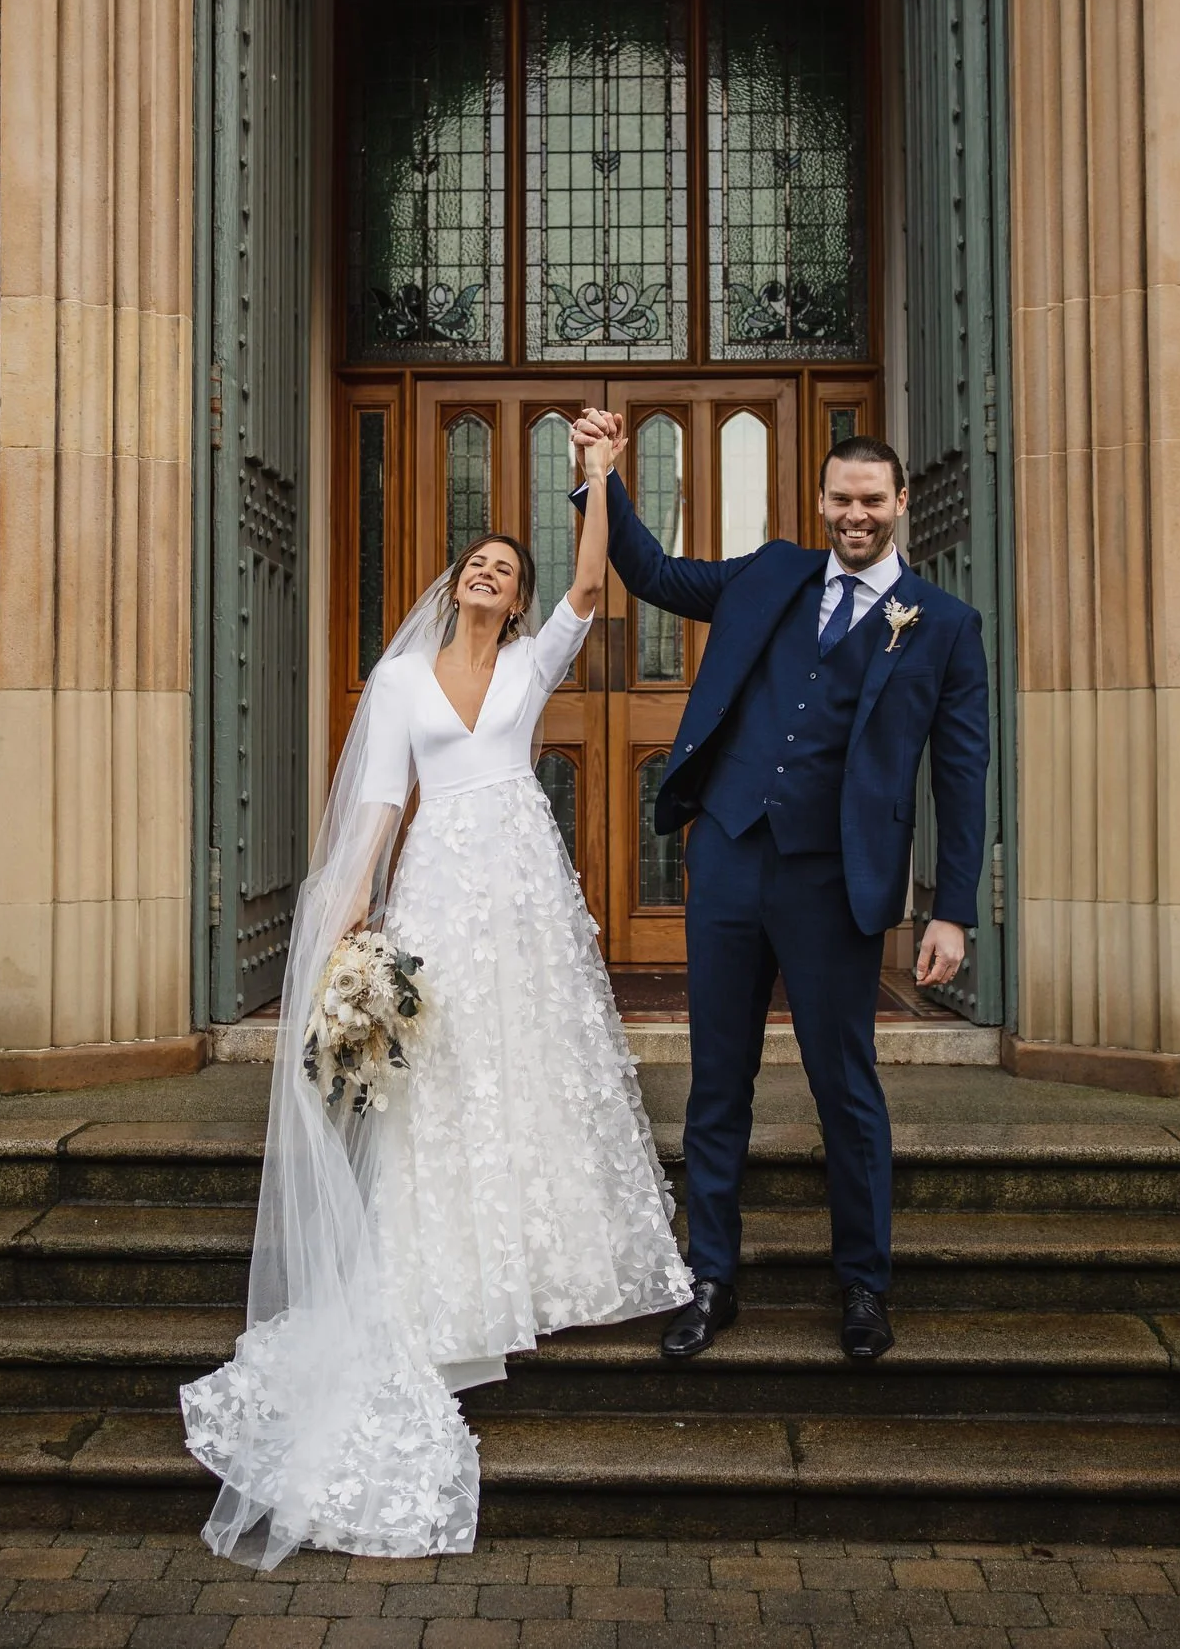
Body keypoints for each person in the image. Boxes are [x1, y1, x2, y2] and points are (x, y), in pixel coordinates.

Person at [181, 426, 688, 1568]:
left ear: (518, 601)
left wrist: (600, 476)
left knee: (531, 1058)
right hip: (439, 884)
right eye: (477, 564)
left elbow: (594, 583)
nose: (489, 576)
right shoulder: (403, 680)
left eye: (505, 571)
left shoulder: (533, 664)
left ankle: (544, 1253)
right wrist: (350, 906)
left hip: (522, 888)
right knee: (446, 1070)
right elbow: (378, 802)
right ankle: (444, 1269)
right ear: (455, 584)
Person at [569, 413, 989, 1366]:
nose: (855, 514)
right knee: (718, 1078)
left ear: (901, 503)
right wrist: (602, 477)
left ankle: (864, 1284)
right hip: (728, 858)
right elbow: (656, 575)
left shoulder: (944, 626)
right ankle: (710, 1276)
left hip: (837, 881)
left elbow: (962, 778)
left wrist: (953, 910)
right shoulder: (770, 573)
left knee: (846, 1085)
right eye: (841, 499)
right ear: (823, 501)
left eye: (871, 500)